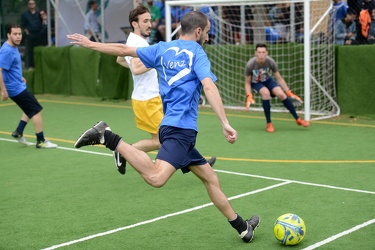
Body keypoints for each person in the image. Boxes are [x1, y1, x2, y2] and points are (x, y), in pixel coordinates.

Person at [67, 11, 260, 243]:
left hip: (173, 129)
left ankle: (242, 227)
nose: (208, 37)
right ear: (198, 31)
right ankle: (107, 137)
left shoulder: (162, 48)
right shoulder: (197, 53)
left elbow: (122, 51)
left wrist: (91, 44)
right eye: (207, 32)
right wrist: (225, 123)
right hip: (181, 130)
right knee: (157, 178)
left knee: (210, 179)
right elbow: (209, 87)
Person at [114, 5, 216, 174]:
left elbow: (120, 59)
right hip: (146, 98)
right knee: (163, 140)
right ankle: (123, 150)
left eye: (150, 20)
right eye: (145, 21)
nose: (150, 24)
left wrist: (149, 63)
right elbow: (138, 68)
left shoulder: (134, 40)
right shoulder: (137, 42)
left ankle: (198, 164)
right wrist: (160, 61)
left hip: (150, 97)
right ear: (135, 24)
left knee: (168, 136)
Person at [0, 24, 58, 149]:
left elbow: (8, 69)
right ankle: (41, 141)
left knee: (30, 107)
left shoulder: (12, 47)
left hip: (17, 84)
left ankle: (18, 132)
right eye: (15, 34)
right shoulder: (7, 50)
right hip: (14, 89)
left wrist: (18, 77)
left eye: (19, 34)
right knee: (36, 110)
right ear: (8, 35)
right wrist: (3, 90)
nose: (18, 36)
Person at [244, 43, 309, 133]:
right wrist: (249, 95)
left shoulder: (270, 62)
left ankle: (298, 119)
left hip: (268, 80)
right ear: (256, 53)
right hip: (256, 83)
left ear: (267, 52)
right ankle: (269, 123)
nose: (261, 55)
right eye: (259, 52)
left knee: (281, 94)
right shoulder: (250, 64)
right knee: (266, 93)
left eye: (263, 52)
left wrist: (288, 92)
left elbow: (279, 79)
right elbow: (247, 83)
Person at [21, 0, 42, 69]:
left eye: (33, 4)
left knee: (39, 49)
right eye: (30, 4)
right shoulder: (25, 14)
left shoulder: (39, 13)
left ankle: (39, 64)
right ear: (28, 5)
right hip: (30, 34)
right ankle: (31, 66)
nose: (31, 5)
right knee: (30, 51)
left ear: (35, 4)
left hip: (39, 34)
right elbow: (23, 25)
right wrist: (27, 32)